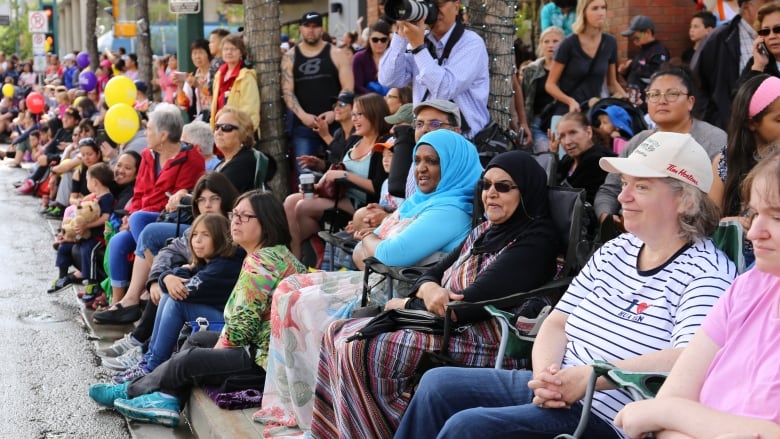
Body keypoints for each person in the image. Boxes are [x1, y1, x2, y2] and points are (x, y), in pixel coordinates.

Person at [394, 132, 737, 439]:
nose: (622, 197)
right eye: (625, 184)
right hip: (558, 388)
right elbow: (558, 322)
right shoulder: (617, 249)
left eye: (641, 187)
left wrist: (589, 378)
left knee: (469, 428)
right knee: (437, 384)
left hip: (609, 415)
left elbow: (687, 358)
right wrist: (548, 379)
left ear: (685, 200)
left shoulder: (706, 273)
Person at [310, 150, 559, 438]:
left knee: (360, 349)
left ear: (526, 192)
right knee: (334, 332)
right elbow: (432, 274)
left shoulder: (535, 242)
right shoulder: (484, 230)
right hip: (438, 322)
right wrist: (428, 288)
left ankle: (378, 429)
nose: (490, 194)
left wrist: (406, 302)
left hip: (480, 336)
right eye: (486, 185)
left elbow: (467, 306)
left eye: (503, 187)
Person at [253, 129, 483, 435]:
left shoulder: (450, 210)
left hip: (396, 290)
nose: (422, 168)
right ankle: (292, 405)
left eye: (432, 161)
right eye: (417, 160)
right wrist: (374, 242)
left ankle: (319, 416)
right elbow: (369, 250)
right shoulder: (422, 201)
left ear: (453, 165)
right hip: (376, 280)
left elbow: (389, 252)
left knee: (303, 305)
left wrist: (372, 239)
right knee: (289, 287)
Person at [87, 190, 307, 427]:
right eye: (235, 214)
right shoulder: (276, 254)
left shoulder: (262, 262)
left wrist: (218, 348)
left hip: (266, 361)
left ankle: (130, 391)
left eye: (245, 216)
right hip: (267, 349)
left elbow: (241, 330)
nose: (235, 221)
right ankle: (167, 399)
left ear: (266, 222)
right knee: (197, 339)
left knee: (190, 359)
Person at [614, 150, 780, 439]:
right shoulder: (747, 287)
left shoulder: (711, 272)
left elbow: (661, 412)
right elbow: (669, 402)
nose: (754, 233)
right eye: (753, 214)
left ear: (684, 201)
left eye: (777, 217)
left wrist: (670, 414)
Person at [96, 173, 239, 372]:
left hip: (222, 314)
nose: (207, 205)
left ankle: (147, 359)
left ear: (226, 200)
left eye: (215, 199)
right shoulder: (195, 230)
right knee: (167, 284)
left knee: (174, 297)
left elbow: (203, 280)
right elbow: (169, 252)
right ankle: (143, 350)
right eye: (201, 200)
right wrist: (159, 279)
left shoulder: (234, 236)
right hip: (204, 295)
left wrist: (168, 281)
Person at [93, 104, 205, 324]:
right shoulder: (147, 155)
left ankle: (143, 289)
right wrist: (130, 214)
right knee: (118, 241)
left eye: (150, 129)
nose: (146, 133)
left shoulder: (191, 158)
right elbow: (140, 192)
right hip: (144, 217)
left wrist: (136, 215)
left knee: (140, 221)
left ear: (163, 135)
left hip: (174, 218)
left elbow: (175, 201)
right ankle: (120, 302)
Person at [110, 213, 244, 383]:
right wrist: (167, 277)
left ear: (220, 238)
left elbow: (185, 290)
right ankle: (149, 359)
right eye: (195, 234)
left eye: (206, 235)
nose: (197, 240)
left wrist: (174, 275)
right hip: (217, 318)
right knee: (169, 296)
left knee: (176, 301)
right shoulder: (210, 262)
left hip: (228, 327)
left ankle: (152, 366)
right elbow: (175, 283)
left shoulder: (225, 265)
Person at [594, 67, 726, 224]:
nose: (662, 101)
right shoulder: (638, 141)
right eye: (654, 95)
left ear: (690, 102)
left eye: (672, 94)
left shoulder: (714, 140)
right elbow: (609, 190)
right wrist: (607, 218)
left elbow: (712, 205)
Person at [284, 93, 390, 259]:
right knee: (290, 201)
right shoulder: (355, 140)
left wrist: (345, 175)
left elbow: (377, 187)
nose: (354, 119)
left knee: (303, 207)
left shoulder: (382, 144)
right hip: (341, 195)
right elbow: (336, 167)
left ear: (374, 113)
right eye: (353, 114)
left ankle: (318, 250)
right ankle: (297, 256)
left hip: (361, 203)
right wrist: (319, 187)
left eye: (359, 114)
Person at [379, 0, 490, 138]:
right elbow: (389, 79)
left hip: (465, 141)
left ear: (456, 6)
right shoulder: (419, 40)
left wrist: (418, 47)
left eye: (439, 4)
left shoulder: (471, 43)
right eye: (428, 4)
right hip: (425, 139)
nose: (434, 10)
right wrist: (401, 35)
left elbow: (445, 88)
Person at [283, 11, 354, 176]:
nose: (311, 30)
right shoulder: (290, 56)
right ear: (300, 28)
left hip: (337, 125)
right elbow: (287, 91)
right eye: (307, 26)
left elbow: (348, 88)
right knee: (305, 176)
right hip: (304, 127)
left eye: (315, 26)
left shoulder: (336, 53)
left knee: (342, 171)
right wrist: (303, 116)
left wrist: (334, 112)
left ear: (321, 29)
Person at [694, 0, 771, 130]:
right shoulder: (719, 39)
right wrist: (716, 123)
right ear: (747, 6)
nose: (773, 6)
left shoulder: (772, 37)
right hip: (731, 129)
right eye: (767, 2)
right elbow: (696, 84)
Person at [545, 0, 626, 118]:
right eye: (595, 8)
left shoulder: (610, 42)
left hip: (594, 111)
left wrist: (628, 102)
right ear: (583, 13)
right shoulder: (568, 44)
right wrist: (569, 101)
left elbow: (612, 83)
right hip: (567, 113)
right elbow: (550, 85)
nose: (601, 13)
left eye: (603, 8)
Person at [48, 163, 115, 293]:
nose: (87, 183)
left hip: (97, 236)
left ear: (94, 182)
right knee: (64, 247)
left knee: (87, 251)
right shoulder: (94, 196)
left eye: (88, 180)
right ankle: (62, 275)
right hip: (85, 233)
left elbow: (105, 217)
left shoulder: (107, 197)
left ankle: (91, 282)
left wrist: (87, 226)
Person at [551, 111, 614, 203]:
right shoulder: (567, 160)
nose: (567, 141)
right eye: (562, 136)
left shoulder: (598, 161)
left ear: (588, 132)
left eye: (573, 133)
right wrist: (553, 155)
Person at [523, 26, 565, 152]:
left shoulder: (570, 69)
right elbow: (525, 98)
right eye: (546, 41)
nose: (550, 45)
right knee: (545, 155)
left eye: (555, 41)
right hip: (538, 122)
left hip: (562, 121)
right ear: (541, 45)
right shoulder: (531, 70)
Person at [210, 33, 260, 133]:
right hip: (219, 129)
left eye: (233, 49)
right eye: (226, 49)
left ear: (241, 52)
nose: (229, 52)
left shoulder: (246, 76)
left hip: (236, 131)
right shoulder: (219, 74)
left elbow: (251, 109)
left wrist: (245, 133)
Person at [618, 16, 670, 109]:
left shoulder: (658, 52)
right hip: (634, 102)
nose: (634, 41)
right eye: (632, 38)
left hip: (646, 105)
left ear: (648, 32)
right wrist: (625, 72)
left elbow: (656, 75)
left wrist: (635, 66)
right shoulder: (642, 51)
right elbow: (635, 78)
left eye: (636, 37)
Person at [736, 2, 780, 87]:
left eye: (778, 29)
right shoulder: (756, 63)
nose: (771, 36)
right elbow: (739, 98)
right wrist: (758, 68)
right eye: (765, 31)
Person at [175, 39, 213, 123]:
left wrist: (198, 86)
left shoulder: (215, 73)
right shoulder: (191, 77)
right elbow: (184, 105)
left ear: (209, 54)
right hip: (202, 120)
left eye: (200, 53)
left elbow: (216, 96)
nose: (197, 57)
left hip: (215, 117)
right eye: (194, 53)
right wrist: (180, 87)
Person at [353, 20, 391, 95]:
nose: (379, 43)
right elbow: (357, 85)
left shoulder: (395, 58)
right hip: (366, 102)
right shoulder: (359, 58)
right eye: (375, 40)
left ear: (388, 40)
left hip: (392, 100)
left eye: (383, 40)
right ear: (369, 40)